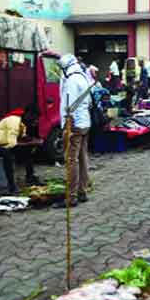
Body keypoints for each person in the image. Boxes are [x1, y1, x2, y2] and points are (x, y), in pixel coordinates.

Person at [53, 54, 92, 209]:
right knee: (82, 158)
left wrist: (68, 127)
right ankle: (82, 191)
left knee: (71, 160)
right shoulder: (82, 76)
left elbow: (69, 105)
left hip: (74, 124)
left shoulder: (71, 80)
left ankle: (72, 197)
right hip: (84, 122)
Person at [0, 103, 44, 194]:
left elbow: (23, 138)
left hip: (5, 145)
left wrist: (35, 140)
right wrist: (33, 142)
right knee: (6, 154)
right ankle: (12, 186)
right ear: (29, 114)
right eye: (35, 118)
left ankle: (30, 177)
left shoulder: (22, 124)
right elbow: (13, 144)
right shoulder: (14, 121)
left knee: (28, 150)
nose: (35, 121)